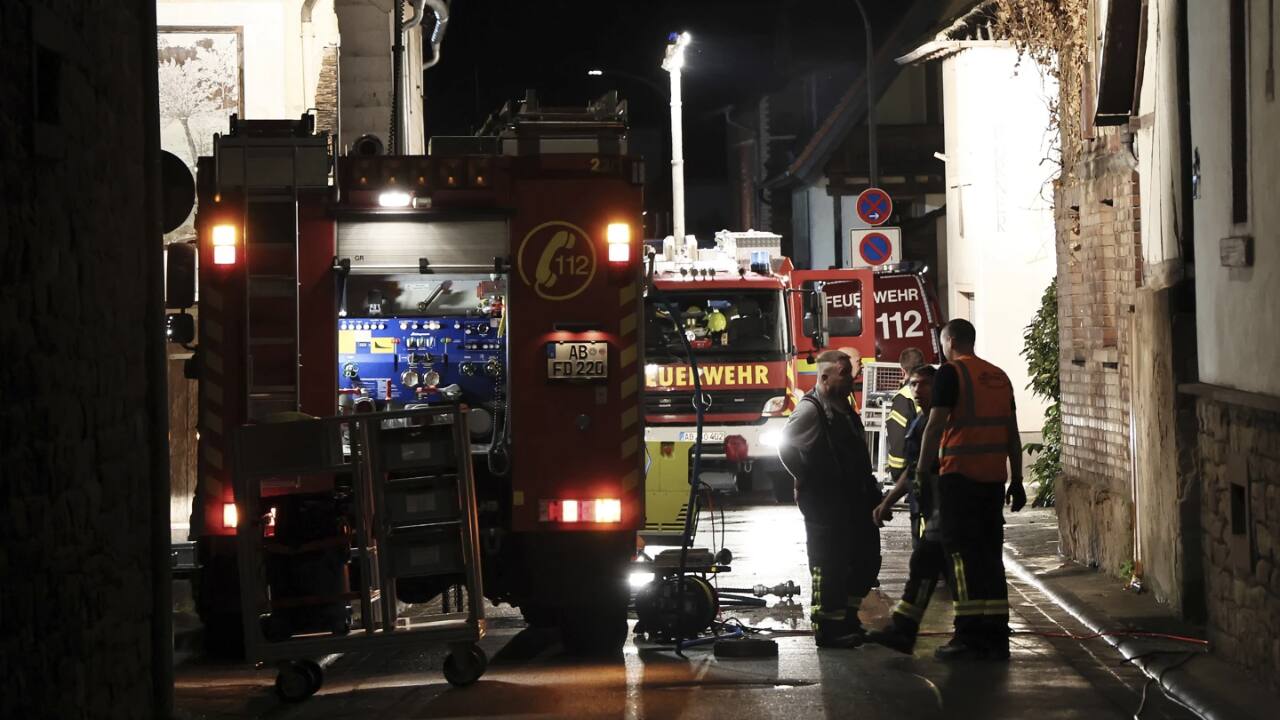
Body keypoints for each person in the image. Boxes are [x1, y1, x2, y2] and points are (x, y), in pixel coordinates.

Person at [915, 319, 1026, 661]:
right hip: (993, 482)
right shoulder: (998, 376)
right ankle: (995, 634)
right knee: (990, 557)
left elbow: (934, 426)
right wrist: (1017, 480)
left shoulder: (951, 374)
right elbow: (1012, 432)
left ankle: (967, 634)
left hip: (959, 480)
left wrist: (921, 472)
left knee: (961, 558)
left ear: (950, 342)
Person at [779, 350, 882, 649]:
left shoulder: (844, 406)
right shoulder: (811, 410)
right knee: (830, 563)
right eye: (844, 373)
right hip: (826, 501)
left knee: (865, 560)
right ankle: (828, 627)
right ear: (825, 377)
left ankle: (848, 618)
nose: (852, 378)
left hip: (854, 498)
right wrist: (802, 475)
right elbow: (785, 446)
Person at [865, 365, 941, 654]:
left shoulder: (942, 422)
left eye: (923, 385)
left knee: (934, 568)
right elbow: (912, 470)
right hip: (931, 508)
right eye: (913, 385)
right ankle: (903, 630)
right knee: (926, 567)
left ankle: (977, 633)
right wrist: (888, 501)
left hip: (946, 509)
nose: (917, 391)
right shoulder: (921, 422)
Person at [884, 347, 926, 545]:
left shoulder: (903, 399)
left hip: (917, 475)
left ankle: (928, 571)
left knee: (923, 529)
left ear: (902, 370)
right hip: (940, 472)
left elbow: (898, 441)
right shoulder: (935, 388)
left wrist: (898, 475)